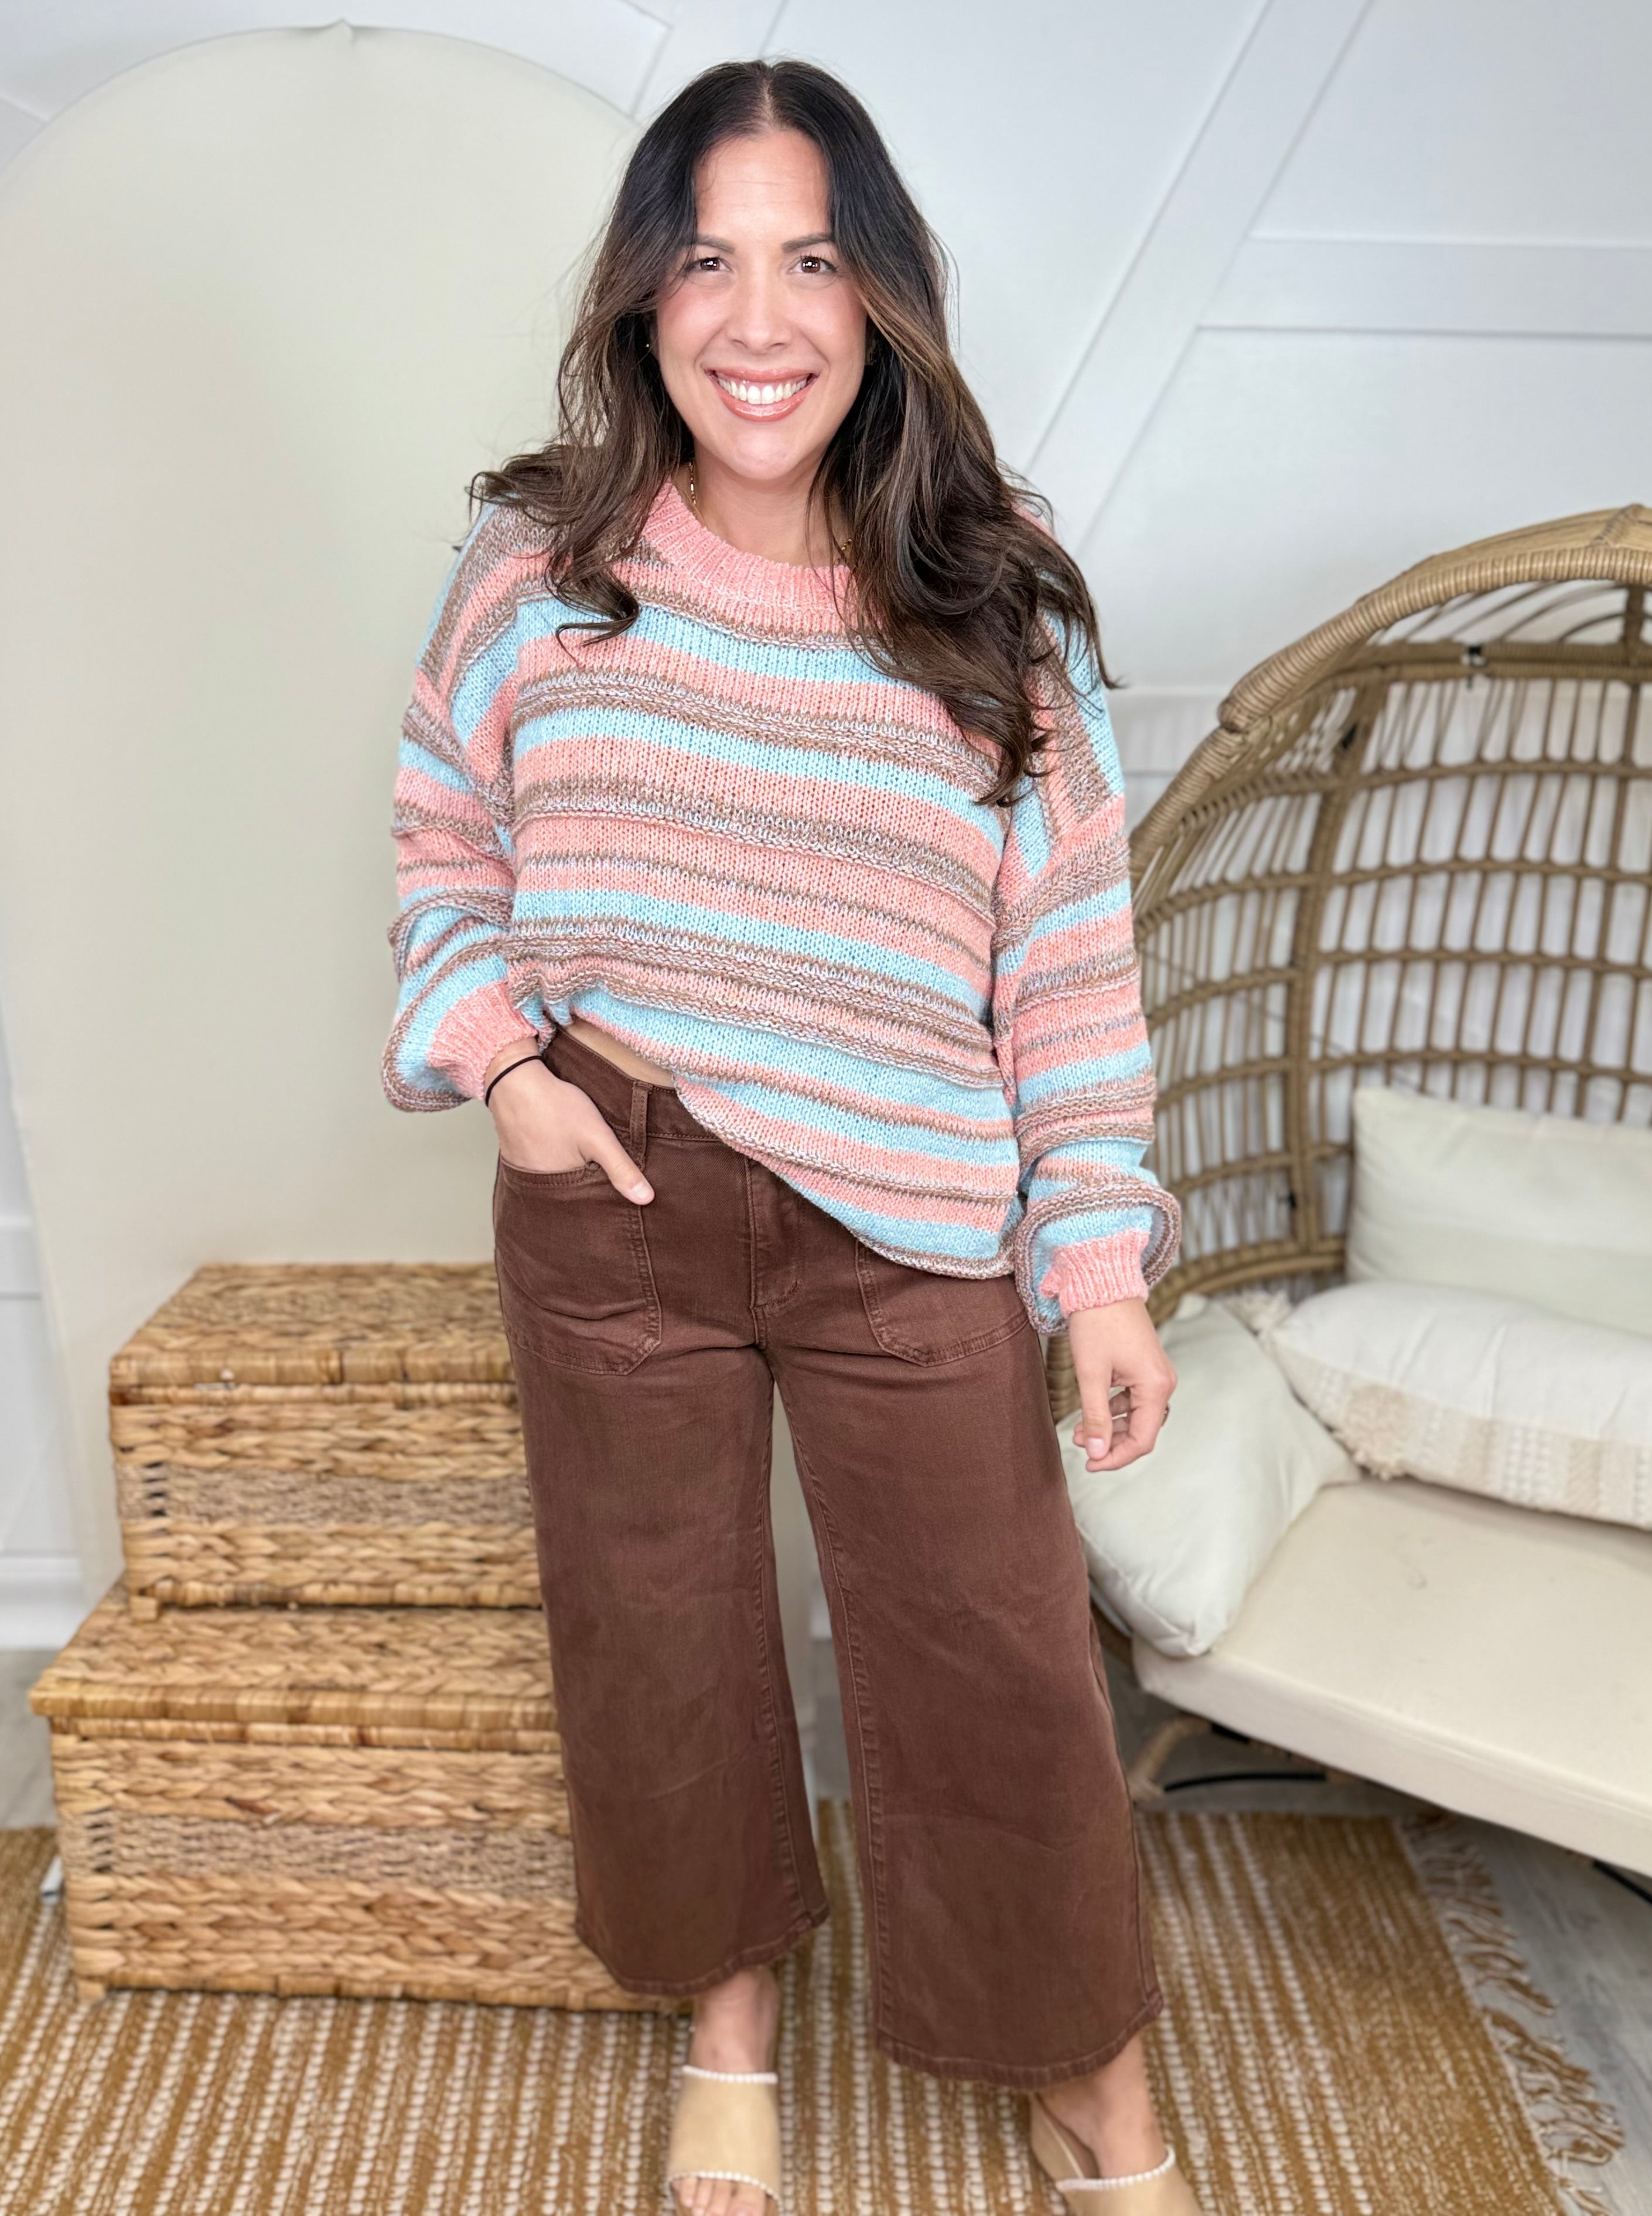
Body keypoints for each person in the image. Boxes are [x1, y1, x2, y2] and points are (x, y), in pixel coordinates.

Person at [381, 56, 1193, 2216]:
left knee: (996, 1655)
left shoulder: (996, 608)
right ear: (643, 302)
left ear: (881, 296)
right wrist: (511, 1077)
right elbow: (442, 845)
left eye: (812, 260)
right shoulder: (540, 569)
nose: (760, 319)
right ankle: (726, 2025)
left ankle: (1089, 2076)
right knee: (656, 1639)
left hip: (910, 1211)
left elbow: (1070, 972)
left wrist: (1097, 1269)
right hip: (619, 1185)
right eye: (709, 262)